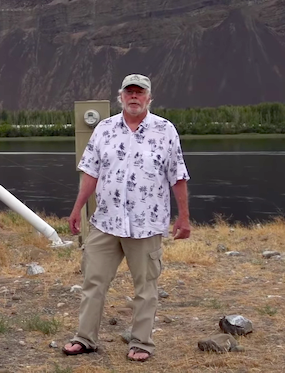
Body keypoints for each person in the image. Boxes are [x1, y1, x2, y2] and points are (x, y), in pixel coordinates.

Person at [62, 74, 190, 363]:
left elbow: (177, 176)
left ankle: (142, 343)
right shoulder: (104, 129)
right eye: (129, 92)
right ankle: (85, 338)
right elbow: (91, 173)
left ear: (149, 98)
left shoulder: (165, 130)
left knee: (146, 287)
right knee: (93, 281)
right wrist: (77, 208)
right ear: (120, 96)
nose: (134, 97)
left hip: (146, 225)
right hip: (106, 222)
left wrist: (183, 217)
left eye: (139, 92)